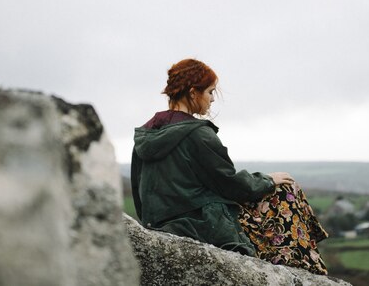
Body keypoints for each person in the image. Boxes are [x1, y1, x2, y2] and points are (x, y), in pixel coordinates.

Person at [131, 58, 328, 274]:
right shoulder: (198, 134)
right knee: (285, 192)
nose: (212, 99)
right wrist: (268, 180)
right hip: (201, 225)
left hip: (158, 223)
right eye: (210, 92)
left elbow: (139, 193)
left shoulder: (146, 134)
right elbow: (231, 185)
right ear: (193, 92)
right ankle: (299, 271)